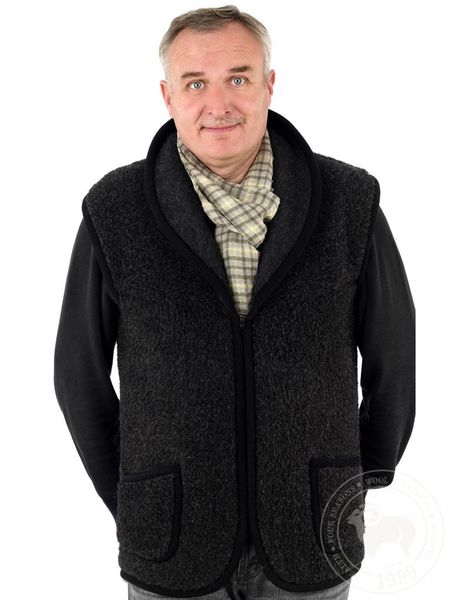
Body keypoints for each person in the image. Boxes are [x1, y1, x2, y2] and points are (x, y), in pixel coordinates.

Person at [53, 5, 415, 600]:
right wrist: (133, 495)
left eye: (238, 78)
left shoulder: (350, 201)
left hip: (312, 529)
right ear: (168, 96)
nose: (218, 104)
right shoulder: (114, 210)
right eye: (195, 83)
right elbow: (78, 376)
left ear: (269, 85)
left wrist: (360, 479)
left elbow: (393, 357)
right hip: (171, 540)